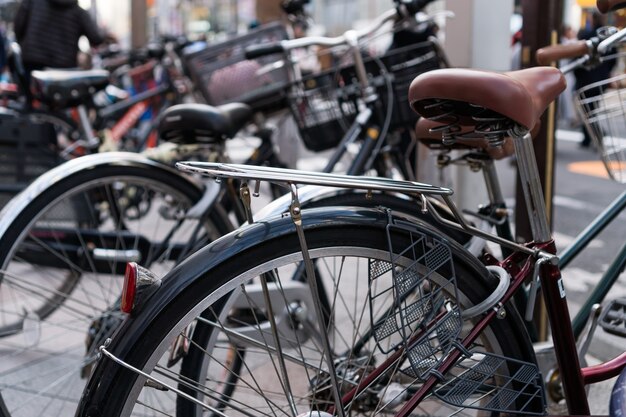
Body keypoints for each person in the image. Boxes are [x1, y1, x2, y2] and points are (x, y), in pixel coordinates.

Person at [13, 0, 105, 74]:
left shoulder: (32, 2)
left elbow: (18, 25)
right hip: (63, 68)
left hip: (32, 62)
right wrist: (106, 34)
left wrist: (24, 44)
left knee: (31, 95)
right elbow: (96, 39)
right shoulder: (78, 11)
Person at [575, 12, 616, 147]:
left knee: (587, 110)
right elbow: (613, 60)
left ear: (592, 20)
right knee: (591, 109)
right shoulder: (609, 39)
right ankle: (590, 137)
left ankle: (594, 134)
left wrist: (578, 76)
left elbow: (577, 60)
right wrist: (606, 72)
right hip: (600, 80)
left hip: (586, 80)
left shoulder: (586, 37)